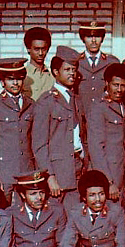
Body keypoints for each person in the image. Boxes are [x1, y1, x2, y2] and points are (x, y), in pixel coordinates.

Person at [32, 45, 88, 211]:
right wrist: (50, 176)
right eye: (67, 69)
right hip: (58, 174)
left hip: (78, 169)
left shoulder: (77, 99)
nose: (72, 73)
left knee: (75, 219)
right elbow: (39, 145)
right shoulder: (46, 102)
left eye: (74, 69)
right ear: (56, 72)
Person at [0, 57, 35, 205]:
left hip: (26, 171)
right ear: (2, 82)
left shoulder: (31, 104)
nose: (15, 83)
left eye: (19, 79)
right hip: (4, 172)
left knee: (24, 214)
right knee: (3, 212)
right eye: (11, 79)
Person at [88, 63, 125, 207]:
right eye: (115, 85)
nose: (119, 89)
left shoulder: (124, 106)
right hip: (108, 175)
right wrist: (108, 181)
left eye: (123, 85)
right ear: (107, 84)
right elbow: (96, 148)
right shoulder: (99, 107)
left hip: (122, 174)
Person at [77, 21, 120, 115]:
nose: (93, 40)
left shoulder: (112, 62)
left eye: (97, 36)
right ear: (83, 38)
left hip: (105, 116)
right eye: (89, 36)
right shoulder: (76, 62)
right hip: (82, 116)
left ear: (102, 38)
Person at [22, 27, 55, 101]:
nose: (40, 53)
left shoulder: (53, 77)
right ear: (28, 49)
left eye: (43, 49)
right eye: (36, 49)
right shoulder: (23, 75)